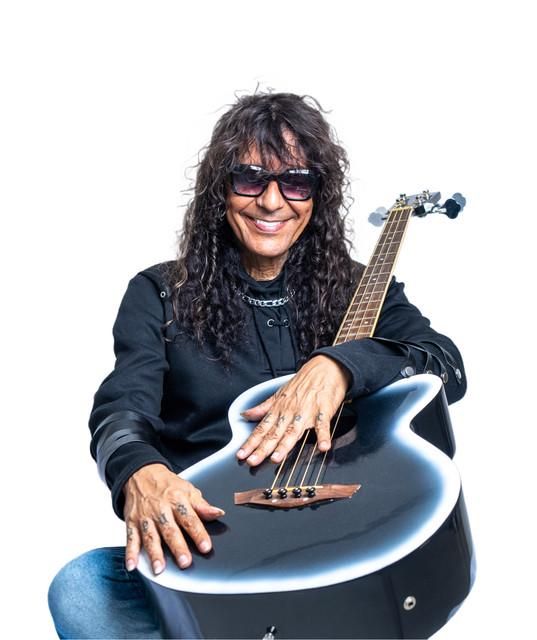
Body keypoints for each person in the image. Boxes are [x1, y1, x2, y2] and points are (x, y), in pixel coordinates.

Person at [48, 91, 466, 639]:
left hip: (343, 534)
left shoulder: (362, 288)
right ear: (220, 189)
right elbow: (122, 409)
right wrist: (138, 472)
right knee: (81, 588)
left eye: (296, 182)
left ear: (317, 196)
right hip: (212, 547)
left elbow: (446, 366)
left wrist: (342, 365)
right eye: (250, 179)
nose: (272, 202)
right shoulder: (160, 292)